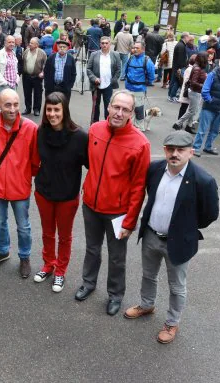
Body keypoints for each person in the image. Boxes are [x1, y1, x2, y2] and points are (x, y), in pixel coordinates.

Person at [125, 130, 219, 344]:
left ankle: (172, 322)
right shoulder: (155, 169)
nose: (175, 154)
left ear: (191, 152)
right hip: (151, 235)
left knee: (177, 286)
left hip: (179, 241)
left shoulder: (203, 181)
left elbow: (210, 214)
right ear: (165, 150)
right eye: (170, 149)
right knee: (148, 275)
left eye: (181, 150)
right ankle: (147, 305)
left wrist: (186, 228)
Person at [75, 90, 150, 316]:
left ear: (131, 113)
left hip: (118, 213)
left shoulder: (140, 144)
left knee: (117, 257)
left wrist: (130, 221)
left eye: (125, 109)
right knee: (92, 249)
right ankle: (88, 283)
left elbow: (139, 187)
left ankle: (115, 294)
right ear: (108, 106)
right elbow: (90, 164)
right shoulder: (95, 130)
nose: (119, 113)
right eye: (116, 107)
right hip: (91, 205)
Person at [0, 88, 40, 278]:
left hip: (20, 187)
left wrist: (24, 177)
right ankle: (2, 250)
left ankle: (24, 256)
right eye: (7, 105)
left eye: (16, 104)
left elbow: (35, 160)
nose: (12, 109)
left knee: (23, 226)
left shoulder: (30, 128)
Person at [33, 92, 88, 292]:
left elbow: (92, 165)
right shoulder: (40, 132)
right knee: (47, 233)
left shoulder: (80, 136)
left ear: (64, 110)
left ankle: (60, 271)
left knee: (64, 236)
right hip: (44, 193)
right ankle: (49, 264)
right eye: (49, 109)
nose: (52, 114)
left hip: (67, 196)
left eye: (57, 109)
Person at [192, 57, 220, 157]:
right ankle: (196, 148)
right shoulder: (213, 74)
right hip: (209, 108)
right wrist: (210, 101)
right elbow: (205, 90)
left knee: (215, 130)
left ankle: (208, 147)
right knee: (202, 129)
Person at [87, 36, 121, 123]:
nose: (104, 45)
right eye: (103, 43)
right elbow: (88, 69)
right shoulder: (94, 54)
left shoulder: (115, 55)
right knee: (95, 106)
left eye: (106, 43)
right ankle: (94, 124)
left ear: (110, 44)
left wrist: (113, 80)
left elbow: (118, 70)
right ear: (100, 44)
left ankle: (108, 123)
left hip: (108, 85)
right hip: (96, 85)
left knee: (108, 106)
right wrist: (94, 78)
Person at [124, 41, 155, 131]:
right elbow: (126, 71)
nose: (134, 49)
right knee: (128, 109)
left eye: (137, 48)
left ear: (143, 49)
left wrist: (144, 83)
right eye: (134, 47)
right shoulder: (131, 59)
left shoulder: (147, 61)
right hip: (128, 89)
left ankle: (139, 129)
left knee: (139, 110)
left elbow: (151, 76)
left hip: (139, 90)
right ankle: (128, 127)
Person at [173, 52, 208, 133]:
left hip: (195, 91)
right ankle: (178, 123)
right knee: (192, 110)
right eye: (206, 58)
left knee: (193, 110)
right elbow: (193, 82)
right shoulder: (197, 68)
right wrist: (203, 85)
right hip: (195, 92)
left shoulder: (197, 67)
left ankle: (188, 126)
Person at [21, 37, 47, 117]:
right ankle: (28, 108)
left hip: (37, 77)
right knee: (27, 93)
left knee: (38, 94)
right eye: (30, 42)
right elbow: (22, 62)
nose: (30, 44)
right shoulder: (26, 51)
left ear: (37, 45)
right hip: (26, 76)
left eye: (32, 43)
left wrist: (43, 72)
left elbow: (46, 65)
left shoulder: (42, 53)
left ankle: (36, 109)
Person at [169, 32, 191, 102]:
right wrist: (181, 68)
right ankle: (172, 96)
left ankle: (171, 95)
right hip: (179, 68)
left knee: (174, 81)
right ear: (185, 37)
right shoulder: (181, 46)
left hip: (176, 67)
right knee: (177, 82)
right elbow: (181, 59)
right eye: (188, 37)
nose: (189, 39)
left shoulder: (180, 44)